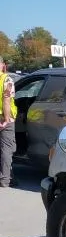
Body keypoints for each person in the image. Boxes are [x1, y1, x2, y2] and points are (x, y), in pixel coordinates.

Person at [0, 56, 17, 188]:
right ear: (3, 65)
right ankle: (5, 179)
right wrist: (6, 119)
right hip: (4, 119)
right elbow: (6, 100)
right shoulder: (7, 79)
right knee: (7, 149)